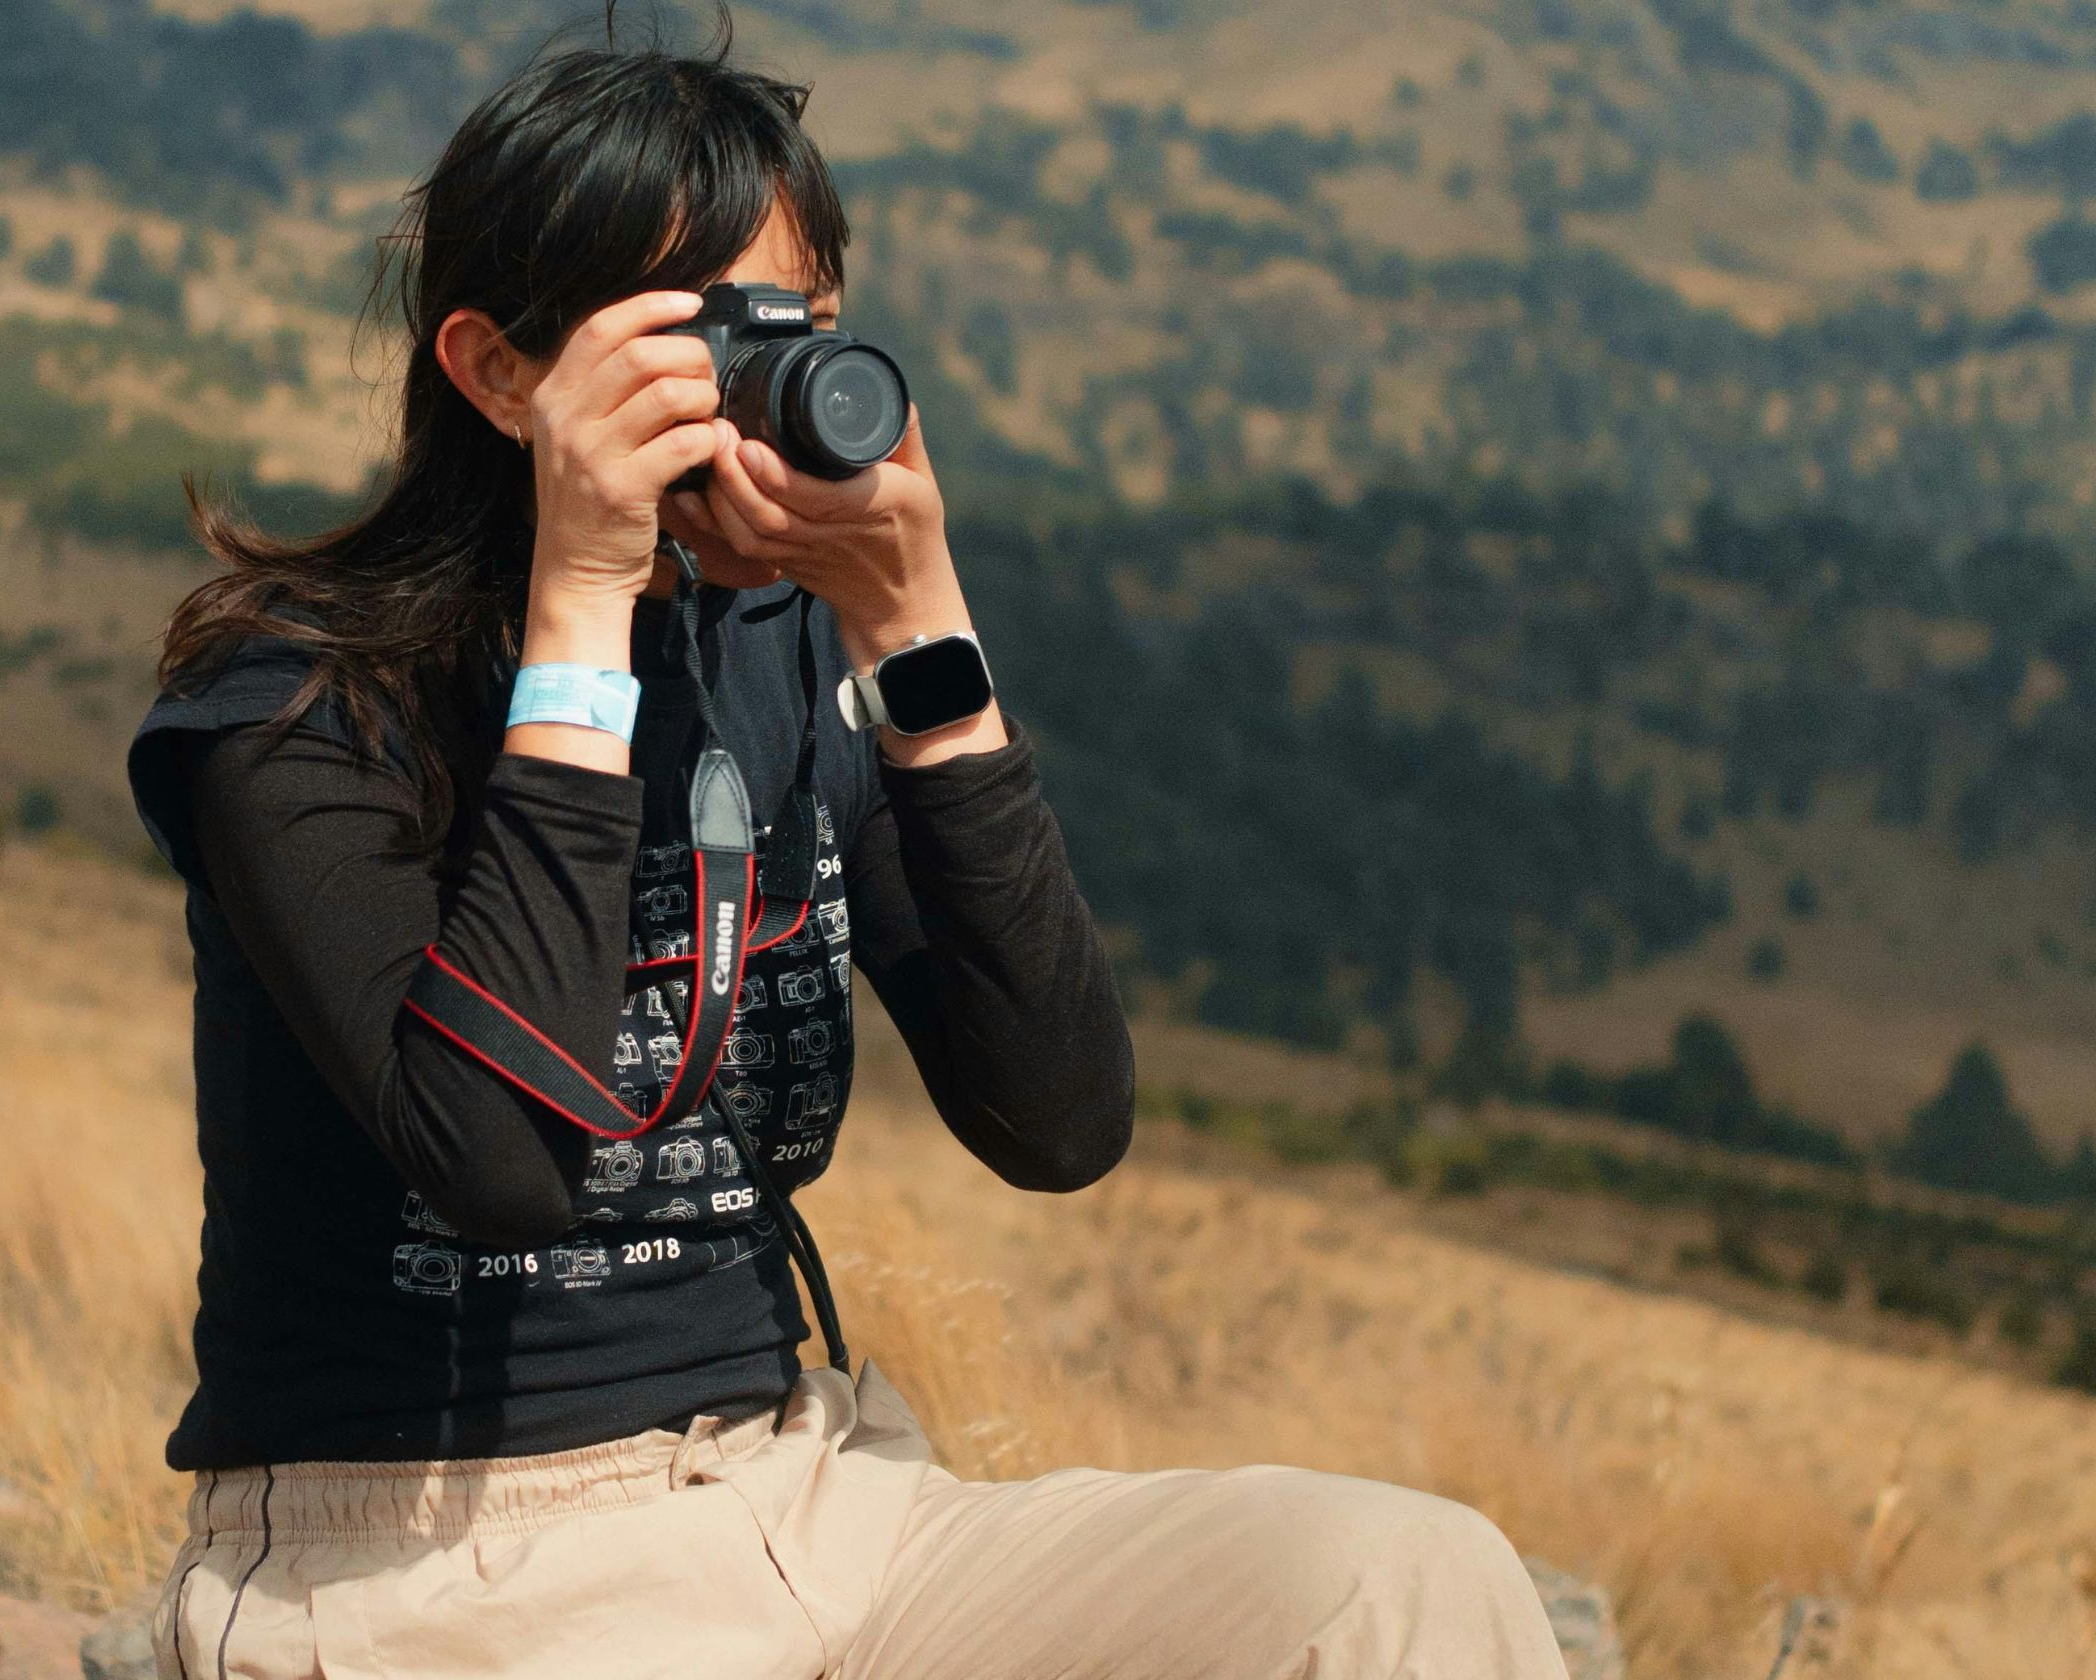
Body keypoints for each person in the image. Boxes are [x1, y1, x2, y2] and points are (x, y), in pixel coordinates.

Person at [122, 18, 1569, 1680]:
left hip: (812, 1499)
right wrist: (580, 604)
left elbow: (1059, 1118)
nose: (754, 380)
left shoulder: (781, 654)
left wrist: (913, 630)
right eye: (688, 333)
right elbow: (499, 1161)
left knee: (1401, 1580)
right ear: (498, 368)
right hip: (431, 1568)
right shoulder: (292, 704)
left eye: (791, 328)